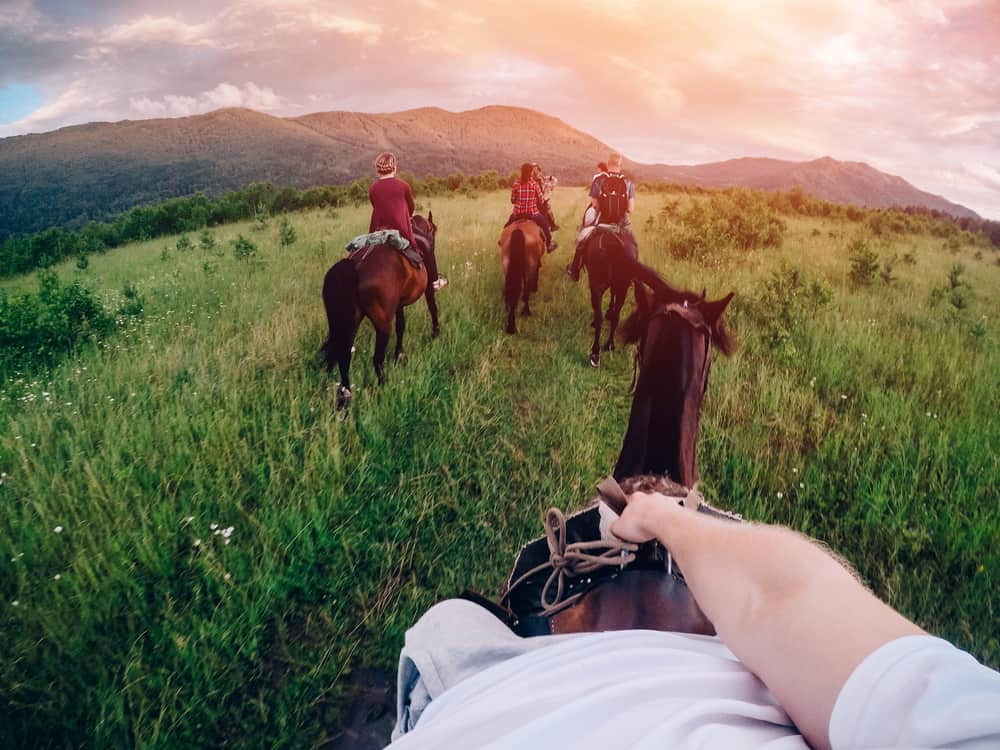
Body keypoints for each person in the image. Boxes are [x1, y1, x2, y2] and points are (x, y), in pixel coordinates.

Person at [389, 488, 1000, 748]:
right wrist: (678, 521)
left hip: (480, 717)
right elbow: (772, 600)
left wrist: (655, 517)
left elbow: (781, 595)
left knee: (453, 623)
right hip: (717, 699)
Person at [368, 151, 443, 288]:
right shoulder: (403, 186)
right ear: (394, 168)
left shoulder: (372, 188)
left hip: (378, 232)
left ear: (378, 170)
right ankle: (435, 281)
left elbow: (376, 207)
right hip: (401, 231)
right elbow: (411, 207)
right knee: (426, 244)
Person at [567, 152, 637, 282]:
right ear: (620, 164)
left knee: (582, 240)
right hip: (622, 222)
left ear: (608, 163)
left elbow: (594, 204)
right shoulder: (627, 182)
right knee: (633, 244)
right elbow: (630, 209)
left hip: (602, 220)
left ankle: (574, 269)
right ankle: (632, 277)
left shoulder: (599, 179)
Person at [507, 162, 557, 252]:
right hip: (532, 214)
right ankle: (549, 245)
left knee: (507, 227)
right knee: (545, 225)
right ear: (530, 172)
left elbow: (512, 200)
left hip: (517, 214)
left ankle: (502, 242)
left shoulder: (516, 185)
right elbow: (541, 200)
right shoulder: (534, 184)